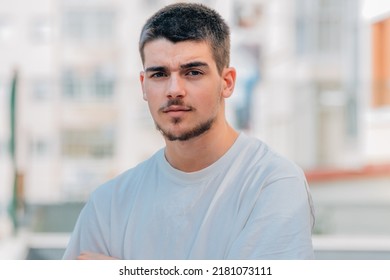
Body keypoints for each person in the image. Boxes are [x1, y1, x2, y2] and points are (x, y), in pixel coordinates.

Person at [63, 2, 315, 260]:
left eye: (193, 72)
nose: (174, 90)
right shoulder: (108, 204)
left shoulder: (271, 184)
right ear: (143, 85)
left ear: (227, 83)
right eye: (159, 74)